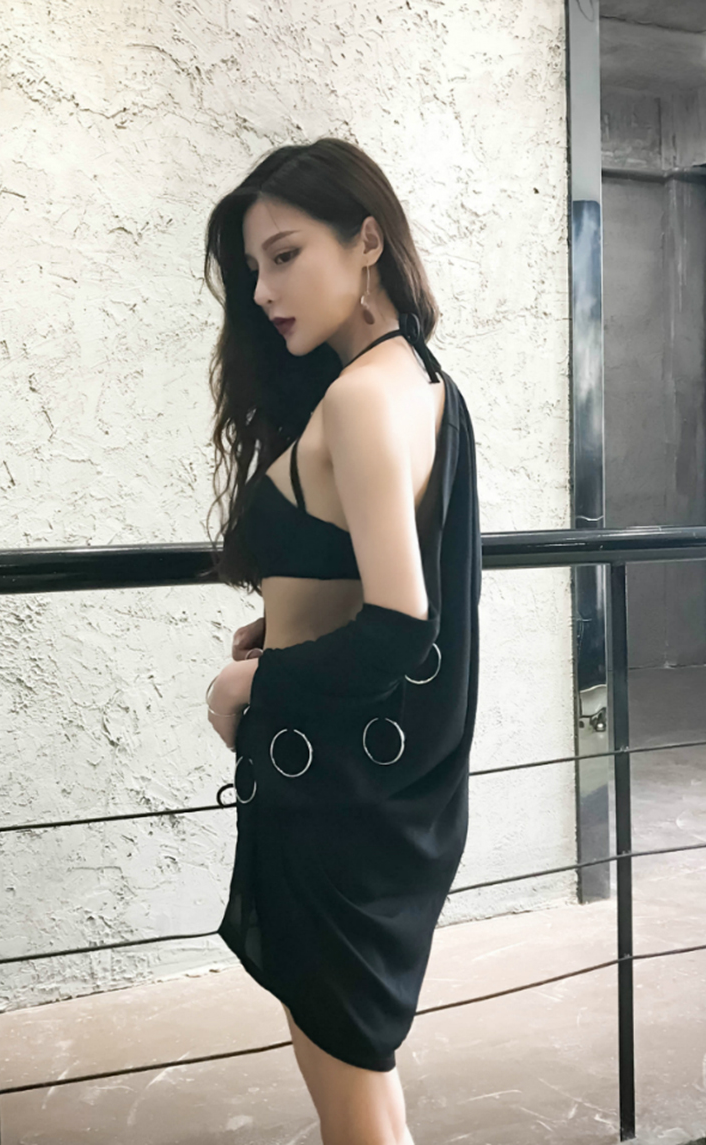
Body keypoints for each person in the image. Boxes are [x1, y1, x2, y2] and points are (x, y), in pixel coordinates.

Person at [200, 137, 482, 1145]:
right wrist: (282, 624)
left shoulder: (360, 397)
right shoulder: (421, 379)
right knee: (361, 1098)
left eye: (285, 255)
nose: (264, 291)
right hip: (349, 787)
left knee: (357, 1116)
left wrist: (254, 686)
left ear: (367, 241)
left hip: (329, 797)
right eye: (253, 268)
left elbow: (402, 625)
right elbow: (371, 575)